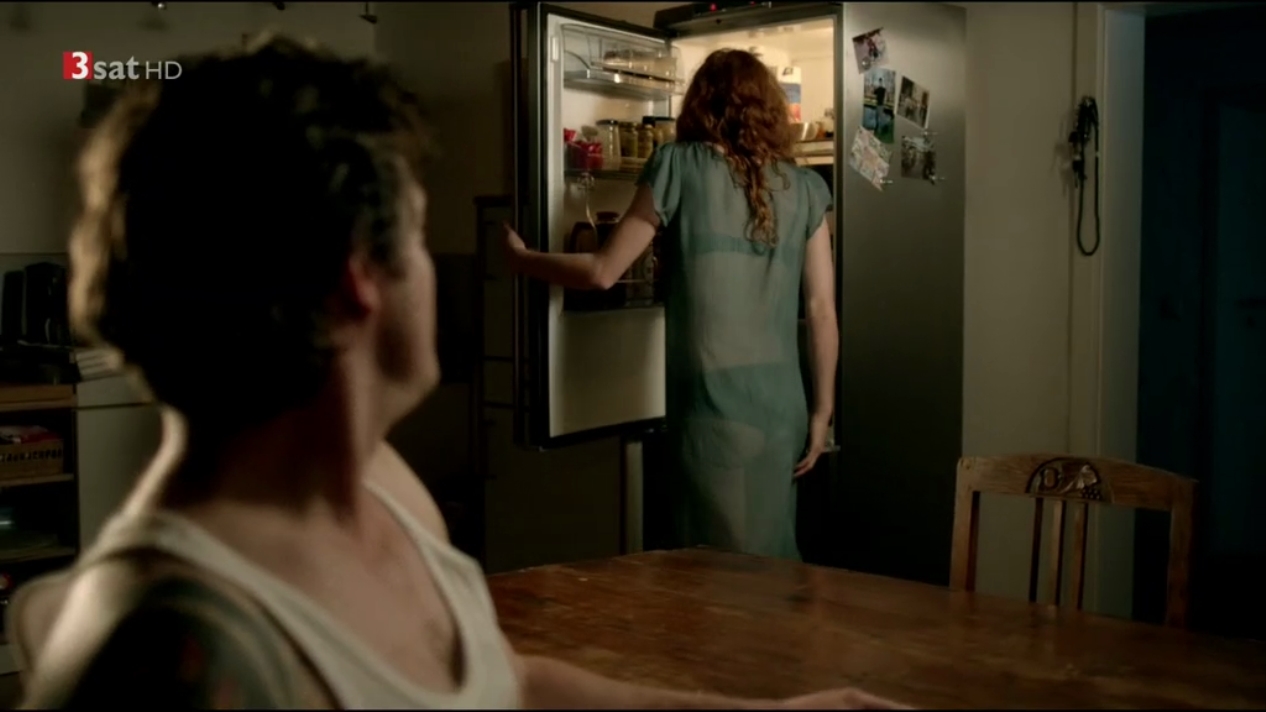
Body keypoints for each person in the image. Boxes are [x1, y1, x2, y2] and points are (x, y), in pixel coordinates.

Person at [14, 36, 899, 710]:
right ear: (361, 281)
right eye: (416, 231)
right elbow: (821, 311)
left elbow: (508, 683)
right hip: (776, 406)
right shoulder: (183, 651)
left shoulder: (389, 494)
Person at [504, 48, 839, 561]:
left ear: (701, 104)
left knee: (715, 570)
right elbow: (821, 311)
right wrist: (822, 411)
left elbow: (602, 272)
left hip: (713, 408)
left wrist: (523, 259)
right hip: (782, 407)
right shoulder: (808, 188)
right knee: (769, 558)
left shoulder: (678, 165)